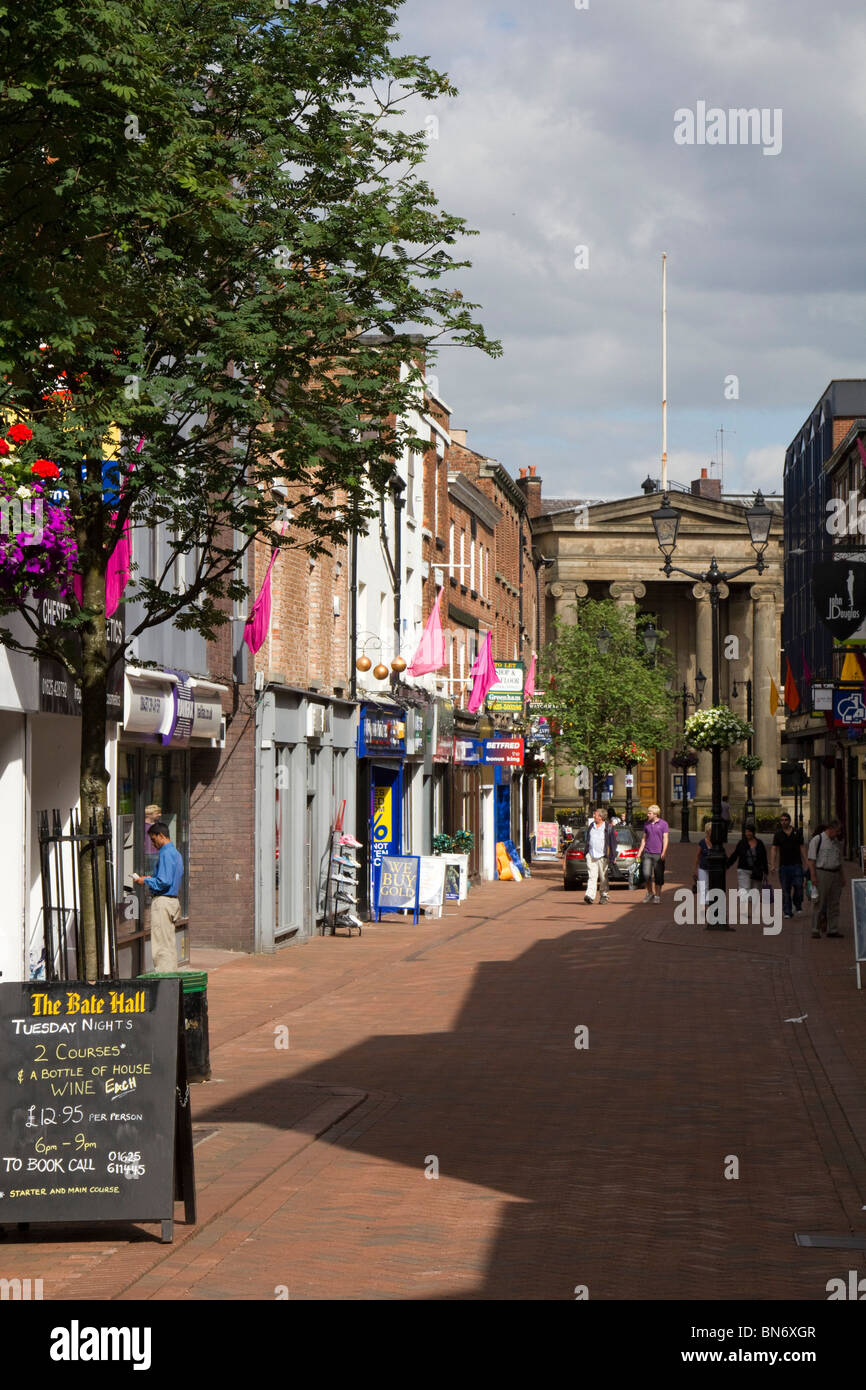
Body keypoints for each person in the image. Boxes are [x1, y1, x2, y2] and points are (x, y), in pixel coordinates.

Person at [133, 820, 184, 971]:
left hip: (163, 902)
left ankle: (165, 982)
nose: (153, 844)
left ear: (161, 836)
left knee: (161, 947)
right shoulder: (176, 853)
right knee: (168, 944)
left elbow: (164, 881)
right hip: (172, 902)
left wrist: (145, 880)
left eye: (154, 840)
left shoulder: (166, 853)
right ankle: (171, 980)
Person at [807, 818, 845, 938]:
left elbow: (839, 861)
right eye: (837, 831)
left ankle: (832, 929)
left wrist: (842, 876)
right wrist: (813, 876)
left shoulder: (836, 842)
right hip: (821, 873)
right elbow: (811, 860)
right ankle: (815, 929)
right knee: (819, 902)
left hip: (835, 874)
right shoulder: (818, 840)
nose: (838, 834)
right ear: (831, 829)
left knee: (834, 903)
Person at [770, 813, 808, 919]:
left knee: (799, 886)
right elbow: (774, 849)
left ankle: (797, 904)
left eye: (786, 820)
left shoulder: (797, 832)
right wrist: (772, 864)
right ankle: (787, 911)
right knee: (785, 890)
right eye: (782, 820)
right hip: (784, 866)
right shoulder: (778, 834)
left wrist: (807, 862)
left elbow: (802, 847)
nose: (784, 822)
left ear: (789, 821)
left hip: (797, 865)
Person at [583, 807, 618, 905]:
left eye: (596, 814)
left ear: (601, 817)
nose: (594, 816)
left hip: (603, 856)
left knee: (603, 877)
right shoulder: (591, 826)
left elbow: (613, 843)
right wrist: (586, 852)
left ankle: (604, 895)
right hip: (591, 855)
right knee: (592, 876)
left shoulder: (608, 827)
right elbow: (588, 840)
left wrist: (613, 856)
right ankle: (589, 895)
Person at [636, 803, 669, 904]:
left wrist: (664, 852)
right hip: (647, 853)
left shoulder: (664, 824)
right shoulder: (646, 824)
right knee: (646, 874)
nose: (648, 815)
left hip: (658, 854)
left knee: (659, 876)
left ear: (655, 814)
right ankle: (650, 892)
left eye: (649, 813)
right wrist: (639, 852)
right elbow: (644, 839)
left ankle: (657, 896)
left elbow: (665, 839)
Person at [726, 822, 768, 893]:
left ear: (754, 832)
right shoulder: (742, 843)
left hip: (757, 872)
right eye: (747, 831)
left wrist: (766, 871)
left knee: (755, 894)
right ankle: (746, 904)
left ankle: (751, 904)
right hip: (743, 870)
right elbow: (735, 855)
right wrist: (727, 865)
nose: (748, 833)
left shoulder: (760, 843)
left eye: (750, 831)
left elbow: (764, 858)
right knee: (744, 893)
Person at [692, 819, 713, 904]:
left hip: (713, 869)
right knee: (703, 887)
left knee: (712, 888)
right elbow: (697, 856)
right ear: (707, 831)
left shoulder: (716, 843)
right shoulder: (702, 842)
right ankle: (704, 907)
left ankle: (711, 905)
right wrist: (695, 869)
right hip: (703, 868)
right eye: (711, 831)